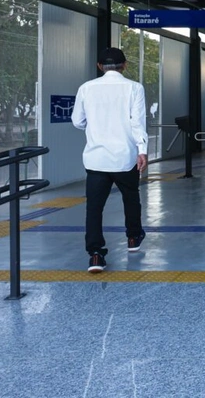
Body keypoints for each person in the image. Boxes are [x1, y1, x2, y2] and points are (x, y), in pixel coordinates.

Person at [72, 47, 148, 274]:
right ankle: (133, 238)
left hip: (96, 159)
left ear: (99, 66)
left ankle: (96, 254)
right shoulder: (134, 88)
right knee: (131, 197)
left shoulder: (86, 88)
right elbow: (137, 122)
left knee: (94, 208)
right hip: (125, 156)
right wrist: (142, 150)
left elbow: (77, 121)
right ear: (124, 65)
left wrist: (94, 125)